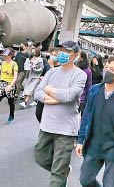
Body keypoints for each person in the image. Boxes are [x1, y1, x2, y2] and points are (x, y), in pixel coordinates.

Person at [76, 56, 114, 186]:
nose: (106, 71)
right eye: (105, 67)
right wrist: (80, 140)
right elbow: (86, 117)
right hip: (94, 146)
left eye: (111, 69)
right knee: (85, 180)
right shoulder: (95, 90)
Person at [33, 41, 87, 187]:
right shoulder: (52, 72)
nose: (62, 53)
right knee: (40, 158)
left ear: (76, 55)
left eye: (67, 51)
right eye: (61, 50)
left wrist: (50, 90)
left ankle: (60, 172)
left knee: (56, 175)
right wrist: (50, 99)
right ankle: (64, 170)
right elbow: (37, 92)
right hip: (47, 125)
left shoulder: (80, 75)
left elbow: (70, 96)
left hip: (66, 130)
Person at [36, 48, 61, 123]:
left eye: (55, 55)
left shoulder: (61, 68)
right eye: (52, 54)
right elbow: (42, 75)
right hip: (44, 92)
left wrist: (52, 67)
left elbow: (57, 80)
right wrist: (42, 78)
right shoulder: (47, 66)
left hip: (53, 94)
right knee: (38, 113)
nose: (52, 56)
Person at [77, 51, 93, 116]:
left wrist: (88, 100)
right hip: (71, 97)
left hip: (81, 99)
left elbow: (88, 86)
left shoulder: (87, 71)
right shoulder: (73, 68)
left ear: (82, 58)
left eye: (78, 55)